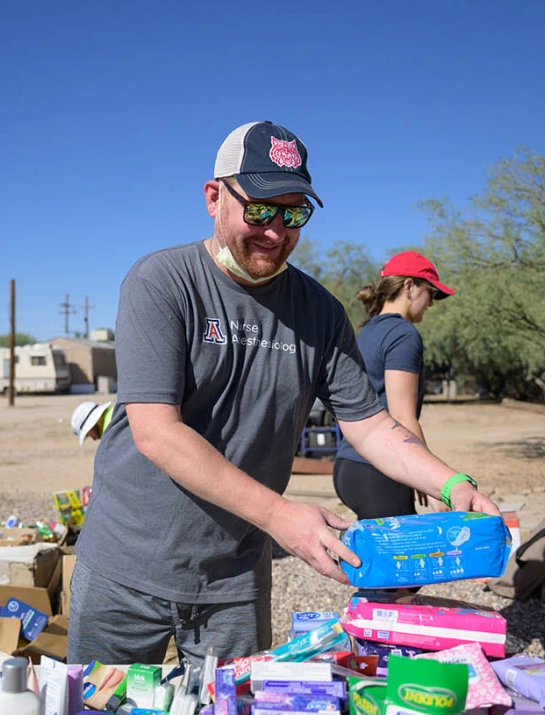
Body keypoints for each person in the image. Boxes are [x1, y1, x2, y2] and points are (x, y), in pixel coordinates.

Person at [68, 121, 499, 669]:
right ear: (214, 197)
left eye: (294, 214)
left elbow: (368, 424)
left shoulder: (319, 311)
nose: (276, 231)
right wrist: (280, 516)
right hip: (126, 571)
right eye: (261, 210)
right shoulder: (162, 282)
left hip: (234, 581)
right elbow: (158, 433)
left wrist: (452, 482)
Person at [333, 251, 451, 520]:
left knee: (375, 556)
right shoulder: (403, 334)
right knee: (402, 557)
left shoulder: (368, 330)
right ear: (409, 287)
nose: (431, 303)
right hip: (380, 469)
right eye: (430, 293)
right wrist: (433, 479)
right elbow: (401, 416)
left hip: (350, 465)